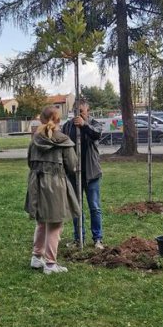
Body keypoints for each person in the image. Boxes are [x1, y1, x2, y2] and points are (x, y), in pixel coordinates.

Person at [25, 105, 80, 274]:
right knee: (55, 223)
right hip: (55, 183)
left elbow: (29, 162)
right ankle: (50, 264)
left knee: (41, 221)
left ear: (41, 119)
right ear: (58, 120)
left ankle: (36, 257)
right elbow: (72, 165)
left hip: (36, 182)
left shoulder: (35, 140)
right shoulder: (63, 140)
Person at [62, 101, 104, 249]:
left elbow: (97, 135)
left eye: (81, 111)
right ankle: (79, 238)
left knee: (94, 207)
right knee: (76, 207)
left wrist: (84, 125)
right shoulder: (67, 127)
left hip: (91, 173)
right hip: (74, 173)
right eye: (75, 111)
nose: (78, 114)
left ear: (88, 110)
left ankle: (97, 239)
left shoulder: (94, 123)